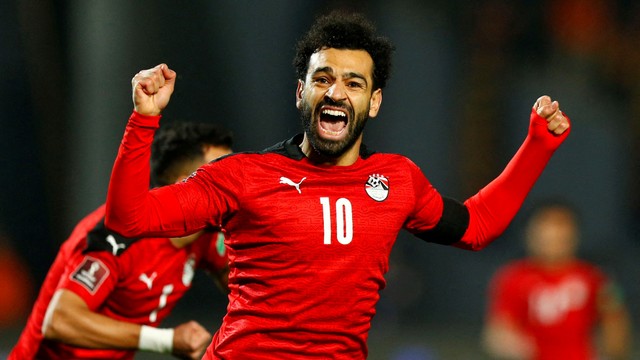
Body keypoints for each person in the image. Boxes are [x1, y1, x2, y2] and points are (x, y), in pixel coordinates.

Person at [104, 11, 571, 359]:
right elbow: (129, 217)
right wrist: (143, 121)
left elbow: (477, 225)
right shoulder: (243, 176)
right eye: (322, 78)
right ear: (300, 93)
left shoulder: (397, 180)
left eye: (353, 83)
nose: (335, 92)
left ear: (374, 102)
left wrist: (537, 146)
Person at [9, 121, 234, 360]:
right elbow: (59, 320)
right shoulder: (117, 236)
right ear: (185, 185)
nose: (233, 183)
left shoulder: (207, 235)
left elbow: (244, 284)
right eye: (221, 173)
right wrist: (167, 340)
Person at [482, 201, 631, 360]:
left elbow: (615, 320)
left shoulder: (594, 277)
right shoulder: (513, 278)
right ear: (530, 234)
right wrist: (513, 346)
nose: (553, 235)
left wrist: (613, 350)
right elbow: (499, 329)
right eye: (545, 228)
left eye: (561, 228)